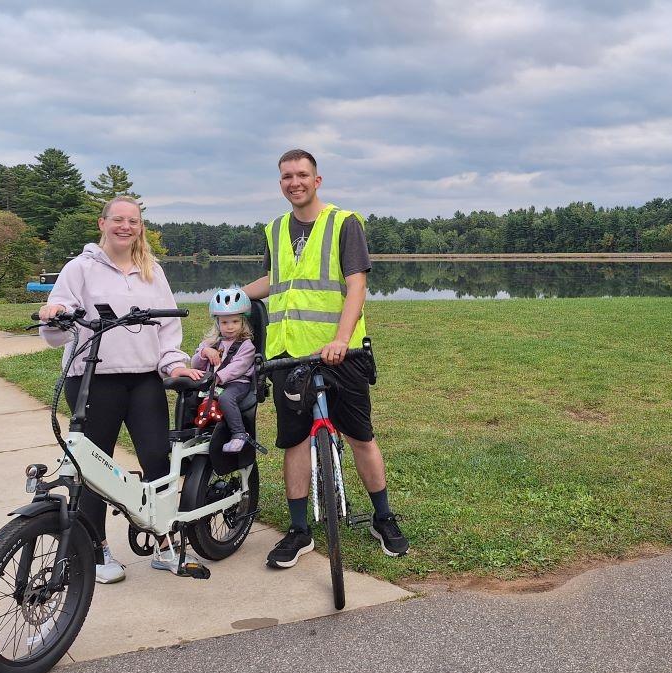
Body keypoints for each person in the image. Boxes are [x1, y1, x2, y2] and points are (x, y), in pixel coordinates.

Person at [242, 148, 409, 568]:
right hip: (287, 353)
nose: (294, 182)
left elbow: (357, 286)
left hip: (340, 352)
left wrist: (341, 338)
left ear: (316, 180)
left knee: (360, 436)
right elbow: (276, 280)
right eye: (286, 176)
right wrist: (234, 296)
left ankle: (383, 518)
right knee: (295, 440)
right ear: (280, 183)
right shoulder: (275, 229)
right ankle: (299, 531)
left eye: (302, 175)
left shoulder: (343, 223)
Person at [39, 196, 205, 582]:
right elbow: (57, 325)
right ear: (103, 223)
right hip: (92, 380)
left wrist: (174, 363)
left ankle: (164, 543)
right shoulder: (79, 268)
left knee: (157, 461)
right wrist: (55, 314)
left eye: (133, 221)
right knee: (94, 469)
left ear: (140, 227)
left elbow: (168, 328)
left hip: (144, 380)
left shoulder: (152, 271)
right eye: (118, 219)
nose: (125, 226)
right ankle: (96, 551)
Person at [191, 287, 257, 453]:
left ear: (243, 322)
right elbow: (195, 365)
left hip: (237, 383)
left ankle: (239, 434)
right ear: (218, 323)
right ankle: (191, 432)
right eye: (225, 323)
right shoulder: (210, 343)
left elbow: (238, 367)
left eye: (235, 322)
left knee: (226, 398)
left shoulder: (246, 346)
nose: (230, 327)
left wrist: (218, 377)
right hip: (212, 383)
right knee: (190, 397)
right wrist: (204, 353)